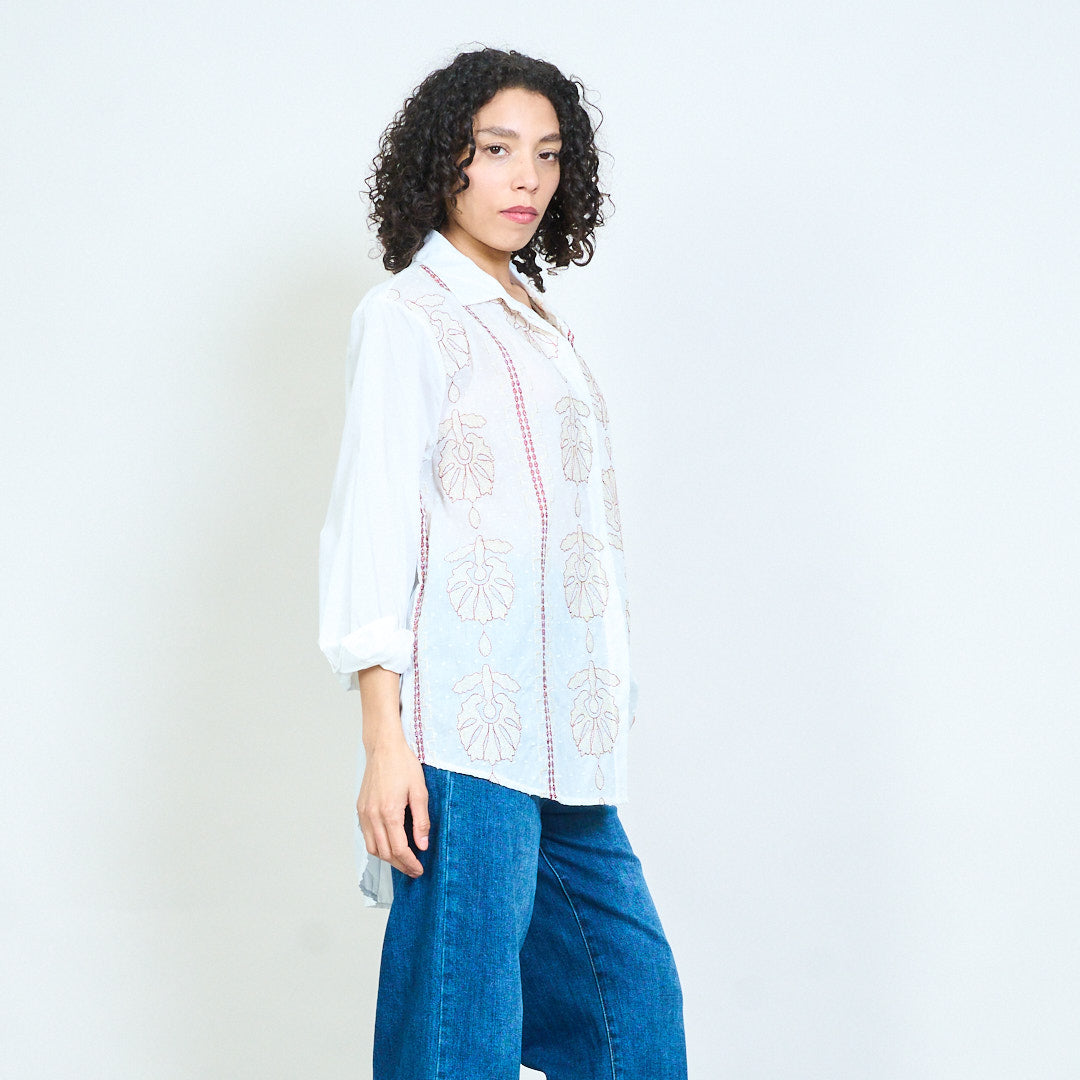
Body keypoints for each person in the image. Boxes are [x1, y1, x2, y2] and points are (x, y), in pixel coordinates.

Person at [318, 47, 687, 1080]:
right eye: (496, 150)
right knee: (460, 1039)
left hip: (568, 742)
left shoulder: (537, 323)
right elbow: (374, 523)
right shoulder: (407, 318)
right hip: (465, 740)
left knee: (633, 1025)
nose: (526, 178)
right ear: (447, 161)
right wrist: (385, 742)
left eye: (548, 154)